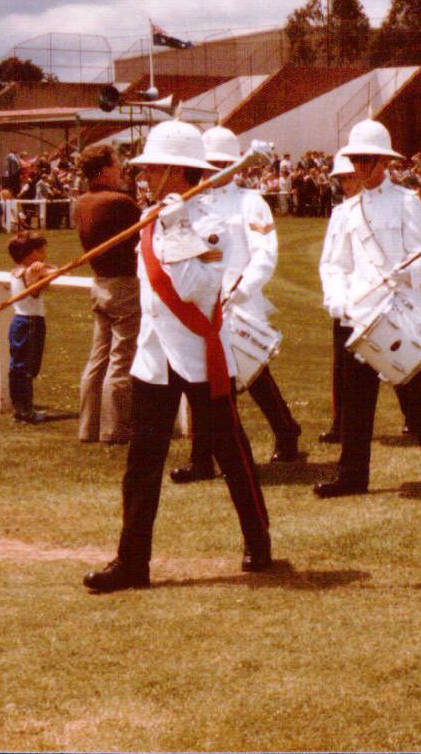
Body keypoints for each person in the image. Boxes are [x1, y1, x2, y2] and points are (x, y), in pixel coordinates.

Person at [83, 120, 273, 593]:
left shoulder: (209, 224)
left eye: (151, 170)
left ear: (174, 171)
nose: (143, 178)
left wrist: (178, 229)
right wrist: (164, 224)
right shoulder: (154, 216)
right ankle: (131, 562)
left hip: (200, 349)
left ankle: (258, 542)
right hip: (154, 356)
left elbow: (200, 289)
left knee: (232, 454)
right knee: (142, 464)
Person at [314, 119, 421, 497]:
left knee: (412, 393)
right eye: (355, 160)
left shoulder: (406, 201)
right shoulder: (345, 212)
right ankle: (352, 476)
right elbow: (333, 264)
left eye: (366, 160)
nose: (359, 168)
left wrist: (403, 276)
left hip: (397, 310)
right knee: (356, 400)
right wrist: (338, 301)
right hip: (358, 313)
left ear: (383, 163)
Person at [170, 127, 304, 485]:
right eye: (207, 164)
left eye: (219, 164)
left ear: (234, 164)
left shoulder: (250, 202)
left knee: (252, 373)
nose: (212, 171)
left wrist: (241, 291)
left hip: (240, 302)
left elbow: (264, 254)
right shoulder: (193, 202)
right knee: (205, 377)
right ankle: (204, 459)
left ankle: (285, 432)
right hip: (203, 302)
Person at [72, 143, 142, 444]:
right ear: (103, 168)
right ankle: (116, 428)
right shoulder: (120, 202)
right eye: (116, 163)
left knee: (97, 358)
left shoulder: (81, 203)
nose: (120, 168)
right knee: (121, 358)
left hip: (99, 282)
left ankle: (89, 427)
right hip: (124, 283)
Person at [320, 155, 360, 445]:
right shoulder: (339, 214)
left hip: (376, 297)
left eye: (350, 177)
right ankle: (342, 423)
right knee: (342, 368)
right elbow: (330, 259)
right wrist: (335, 297)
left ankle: (412, 417)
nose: (347, 184)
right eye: (342, 179)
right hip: (345, 299)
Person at [7, 232, 52, 424]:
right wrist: (45, 270)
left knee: (18, 366)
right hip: (31, 323)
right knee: (26, 368)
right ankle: (26, 411)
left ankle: (20, 407)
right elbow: (62, 271)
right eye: (41, 250)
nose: (44, 253)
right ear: (30, 254)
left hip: (19, 322)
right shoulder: (31, 272)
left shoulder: (16, 270)